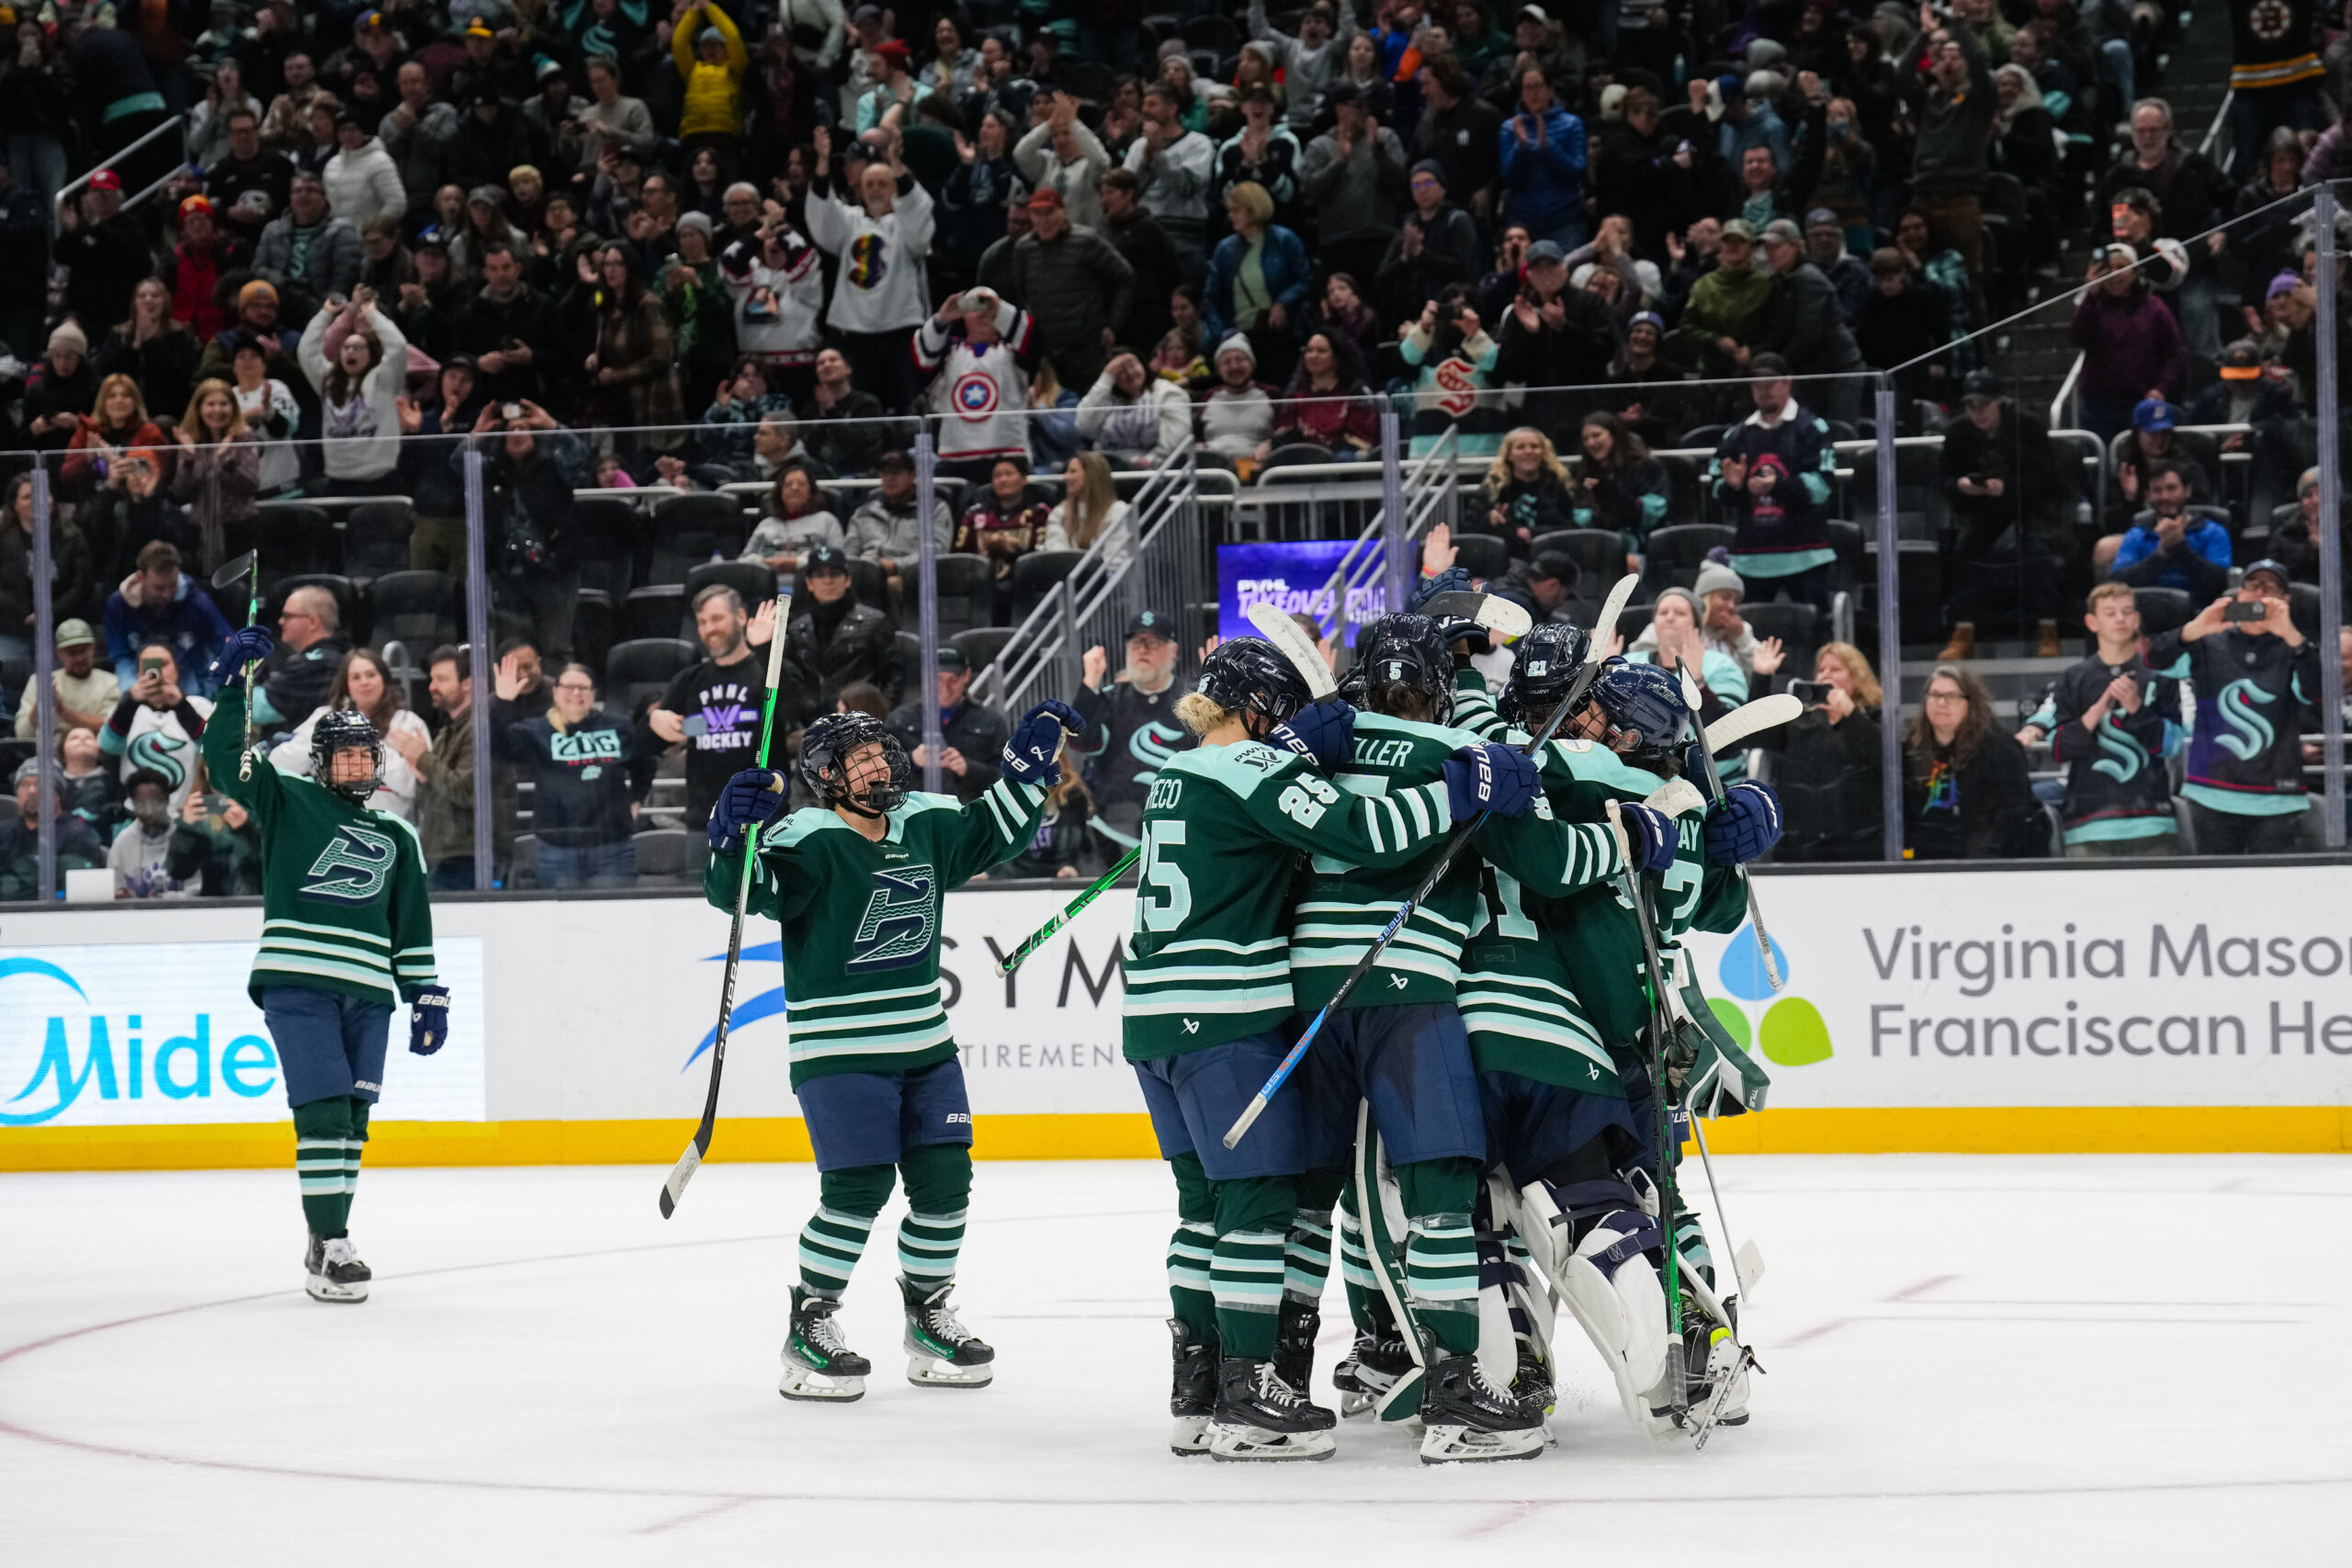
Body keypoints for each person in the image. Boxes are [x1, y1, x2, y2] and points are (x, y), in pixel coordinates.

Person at [1122, 635, 1537, 1461]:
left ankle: (1207, 1387)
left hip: (1159, 1015)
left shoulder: (1175, 773)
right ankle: (1272, 1390)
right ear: (1258, 708)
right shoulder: (1256, 771)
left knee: (1212, 1206)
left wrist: (1295, 756)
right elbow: (1364, 832)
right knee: (1268, 1202)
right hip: (1228, 1013)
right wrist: (1463, 785)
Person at [699, 697, 1081, 1401]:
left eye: (882, 751)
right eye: (861, 758)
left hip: (927, 1044)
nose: (880, 764)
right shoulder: (805, 837)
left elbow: (993, 830)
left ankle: (928, 1313)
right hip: (839, 1049)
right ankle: (809, 1322)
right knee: (858, 1188)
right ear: (827, 776)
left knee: (946, 1185)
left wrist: (1028, 775)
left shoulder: (925, 820)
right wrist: (730, 840)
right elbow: (741, 895)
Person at [199, 618, 447, 1304]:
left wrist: (426, 991)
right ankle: (333, 1242)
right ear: (319, 763)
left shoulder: (397, 834)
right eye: (343, 757)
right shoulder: (288, 800)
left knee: (354, 1121)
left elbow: (410, 926)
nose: (356, 766)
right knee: (324, 1112)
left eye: (364, 757)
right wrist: (231, 690)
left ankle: (325, 1236)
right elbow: (226, 761)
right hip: (299, 980)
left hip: (370, 990)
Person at [2147, 560, 2321, 855]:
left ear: (2285, 600)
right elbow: (2153, 661)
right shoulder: (2206, 643)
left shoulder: (2296, 650)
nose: (2260, 593)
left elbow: (2317, 691)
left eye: (2270, 587)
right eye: (2253, 585)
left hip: (2276, 796)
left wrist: (2292, 635)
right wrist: (2193, 628)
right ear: (2239, 594)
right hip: (2212, 792)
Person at [1937, 368, 2071, 660]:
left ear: (1998, 402)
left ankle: (2047, 627)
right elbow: (1943, 479)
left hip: (2029, 503)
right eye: (1971, 406)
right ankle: (1963, 631)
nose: (1977, 413)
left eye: (1984, 405)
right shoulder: (1957, 432)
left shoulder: (2027, 426)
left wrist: (2009, 487)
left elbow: (2050, 478)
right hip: (1982, 508)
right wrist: (1961, 486)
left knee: (2037, 549)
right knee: (1964, 551)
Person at [2042, 582, 2181, 857]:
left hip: (2151, 821)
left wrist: (2137, 708)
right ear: (2092, 623)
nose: (2120, 618)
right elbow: (2059, 749)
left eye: (2127, 611)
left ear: (2136, 620)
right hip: (2087, 824)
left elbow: (2173, 746)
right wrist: (2095, 712)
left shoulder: (2160, 677)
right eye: (2110, 613)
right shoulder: (2074, 678)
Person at [806, 125, 935, 414]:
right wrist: (823, 163)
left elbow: (919, 221)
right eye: (870, 184)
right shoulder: (850, 220)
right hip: (854, 332)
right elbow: (823, 218)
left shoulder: (906, 222)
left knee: (907, 408)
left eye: (883, 183)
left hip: (901, 329)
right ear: (860, 190)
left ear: (895, 189)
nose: (876, 189)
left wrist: (897, 165)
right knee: (862, 408)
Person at [492, 654, 642, 887]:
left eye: (583, 688)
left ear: (593, 694)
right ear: (555, 692)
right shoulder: (537, 730)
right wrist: (502, 702)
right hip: (556, 852)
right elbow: (498, 747)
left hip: (613, 850)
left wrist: (638, 797)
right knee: (559, 923)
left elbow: (646, 760)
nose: (575, 694)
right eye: (568, 687)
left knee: (614, 922)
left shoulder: (618, 727)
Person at [646, 589, 788, 831]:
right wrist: (653, 720)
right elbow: (654, 743)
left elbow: (789, 708)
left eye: (717, 618)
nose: (709, 628)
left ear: (741, 616)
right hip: (705, 823)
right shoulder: (689, 680)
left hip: (765, 821)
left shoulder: (765, 671)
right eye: (702, 622)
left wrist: (765, 650)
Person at [1708, 357, 1838, 614]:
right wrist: (1733, 487)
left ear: (1788, 382)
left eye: (1770, 382)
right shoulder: (1736, 435)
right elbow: (1716, 487)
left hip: (1806, 556)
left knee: (1816, 632)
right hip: (1751, 559)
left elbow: (1822, 487)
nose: (1763, 389)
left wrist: (1777, 486)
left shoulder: (1812, 428)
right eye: (1757, 383)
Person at [1747, 637, 1885, 860]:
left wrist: (1851, 715)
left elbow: (1885, 759)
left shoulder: (1876, 718)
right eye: (1821, 670)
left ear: (1857, 677)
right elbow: (1754, 734)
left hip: (1861, 843)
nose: (1825, 676)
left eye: (1836, 669)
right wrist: (1762, 678)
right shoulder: (1799, 721)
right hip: (1802, 844)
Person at [1069, 609, 1193, 854]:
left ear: (1173, 651)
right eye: (1136, 643)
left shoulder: (1192, 699)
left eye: (1152, 642)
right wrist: (1090, 683)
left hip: (1184, 828)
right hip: (1115, 833)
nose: (1142, 650)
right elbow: (1080, 742)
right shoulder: (1110, 698)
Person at [267, 648, 430, 820]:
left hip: (386, 829)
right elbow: (277, 766)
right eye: (356, 677)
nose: (364, 682)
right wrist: (320, 736)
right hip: (329, 825)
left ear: (384, 679)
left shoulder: (407, 723)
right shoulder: (325, 717)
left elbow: (414, 787)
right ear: (346, 685)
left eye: (371, 675)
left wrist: (367, 742)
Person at [1904, 664, 2046, 860]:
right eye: (1935, 695)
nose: (1941, 703)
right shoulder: (1912, 748)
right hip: (1926, 862)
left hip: (1989, 862)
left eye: (1952, 696)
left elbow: (2013, 816)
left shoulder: (2000, 747)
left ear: (1971, 703)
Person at [915, 286, 1046, 474]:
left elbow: (1033, 339)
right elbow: (923, 360)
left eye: (988, 308)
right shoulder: (949, 354)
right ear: (964, 315)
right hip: (955, 459)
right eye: (974, 307)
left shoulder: (1014, 353)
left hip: (1008, 459)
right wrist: (942, 319)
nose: (982, 315)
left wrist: (1000, 310)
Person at [1297, 82, 1409, 290]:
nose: (1365, 111)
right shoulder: (1320, 145)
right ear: (1340, 109)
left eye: (1367, 105)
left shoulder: (1385, 138)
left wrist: (1379, 150)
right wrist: (1339, 162)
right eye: (1358, 105)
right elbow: (1311, 192)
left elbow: (1400, 182)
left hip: (1381, 239)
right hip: (1338, 243)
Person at [2070, 243, 2184, 442]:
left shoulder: (2155, 308)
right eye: (2107, 269)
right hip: (2098, 406)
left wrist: (2161, 388)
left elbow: (2175, 353)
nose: (2114, 275)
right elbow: (2079, 337)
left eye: (2121, 267)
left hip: (2141, 401)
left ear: (2135, 271)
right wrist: (2091, 293)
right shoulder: (2091, 307)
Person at [299, 288, 409, 494]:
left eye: (358, 348)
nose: (351, 352)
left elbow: (398, 346)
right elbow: (307, 351)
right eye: (346, 348)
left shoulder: (383, 379)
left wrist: (372, 314)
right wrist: (326, 314)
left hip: (379, 481)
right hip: (338, 479)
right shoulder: (328, 380)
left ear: (370, 354)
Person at [784, 546, 903, 718]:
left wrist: (881, 717)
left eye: (834, 574)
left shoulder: (874, 622)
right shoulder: (797, 628)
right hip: (812, 724)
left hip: (860, 719)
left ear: (847, 580)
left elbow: (894, 676)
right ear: (809, 583)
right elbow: (792, 682)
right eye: (819, 575)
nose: (828, 581)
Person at [397, 645, 481, 890]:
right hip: (445, 852)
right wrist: (422, 775)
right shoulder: (449, 730)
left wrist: (422, 757)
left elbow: (465, 790)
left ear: (467, 684)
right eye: (432, 679)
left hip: (466, 856)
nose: (432, 686)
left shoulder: (478, 729)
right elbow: (439, 791)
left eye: (442, 679)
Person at [885, 645, 1011, 807]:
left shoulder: (992, 722)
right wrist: (912, 760)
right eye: (938, 679)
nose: (945, 688)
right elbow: (877, 775)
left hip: (969, 819)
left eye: (953, 679)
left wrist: (969, 769)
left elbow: (1007, 778)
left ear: (966, 676)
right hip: (913, 819)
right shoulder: (899, 720)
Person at [104, 543, 232, 698]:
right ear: (140, 578)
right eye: (159, 588)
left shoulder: (198, 601)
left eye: (173, 586)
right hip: (138, 672)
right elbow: (121, 657)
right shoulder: (118, 604)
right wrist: (132, 694)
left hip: (187, 671)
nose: (167, 594)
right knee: (130, 700)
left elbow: (225, 646)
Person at [2105, 465, 2232, 596]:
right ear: (2148, 495)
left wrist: (2181, 548)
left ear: (2187, 490)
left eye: (2171, 488)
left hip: (2201, 610)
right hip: (2146, 610)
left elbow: (2219, 582)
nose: (2165, 496)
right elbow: (2119, 584)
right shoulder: (2136, 535)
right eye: (2157, 490)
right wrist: (2160, 554)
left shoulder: (2213, 532)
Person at [250, 586, 354, 734]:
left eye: (287, 616)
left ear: (313, 622)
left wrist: (239, 669)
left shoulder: (316, 665)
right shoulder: (340, 654)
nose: (280, 621)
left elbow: (255, 709)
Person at [0, 758, 107, 901]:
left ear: (58, 793)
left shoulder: (80, 835)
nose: (32, 790)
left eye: (40, 784)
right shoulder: (3, 833)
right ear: (17, 793)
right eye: (25, 784)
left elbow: (74, 894)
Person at [845, 450, 953, 585]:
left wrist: (897, 565)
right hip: (866, 573)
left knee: (893, 584)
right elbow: (849, 553)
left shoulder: (934, 509)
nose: (890, 478)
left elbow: (937, 551)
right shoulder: (864, 511)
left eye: (896, 472)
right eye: (885, 473)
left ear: (913, 475)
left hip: (912, 576)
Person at [1569, 412, 1669, 557]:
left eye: (1596, 435)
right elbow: (1580, 516)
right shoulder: (1584, 472)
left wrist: (1609, 492)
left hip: (1643, 542)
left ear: (1614, 435)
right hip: (1599, 545)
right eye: (1585, 439)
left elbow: (1652, 513)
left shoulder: (1647, 467)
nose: (1590, 443)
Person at [1077, 351, 1194, 468]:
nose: (1129, 373)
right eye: (1120, 371)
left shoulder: (1168, 393)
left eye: (1132, 365)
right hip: (1108, 467)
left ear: (1142, 364)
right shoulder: (1105, 397)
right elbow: (1084, 427)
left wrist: (1148, 462)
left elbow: (1176, 440)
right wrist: (1105, 379)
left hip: (1155, 469)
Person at [15, 620, 120, 742]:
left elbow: (113, 732)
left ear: (93, 648)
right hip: (49, 758)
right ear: (59, 653)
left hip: (96, 756)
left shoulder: (112, 683)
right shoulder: (39, 682)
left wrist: (62, 711)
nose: (79, 658)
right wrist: (41, 705)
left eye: (83, 650)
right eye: (72, 653)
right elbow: (22, 735)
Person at [953, 457, 1051, 588]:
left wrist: (1014, 552)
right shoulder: (974, 514)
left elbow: (1044, 556)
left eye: (1009, 474)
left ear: (1023, 479)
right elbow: (961, 556)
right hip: (981, 584)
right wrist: (986, 553)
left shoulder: (1039, 513)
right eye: (997, 476)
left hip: (1027, 583)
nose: (1003, 480)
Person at [110, 768, 200, 898]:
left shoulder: (187, 837)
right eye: (141, 804)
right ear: (133, 805)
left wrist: (165, 900)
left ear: (167, 800)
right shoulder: (122, 842)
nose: (149, 811)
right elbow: (114, 890)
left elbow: (199, 891)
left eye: (156, 802)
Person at [1044, 452, 1135, 567]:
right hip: (1068, 579)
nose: (1065, 477)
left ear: (1091, 476)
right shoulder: (1060, 512)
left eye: (1073, 472)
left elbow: (1116, 562)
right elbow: (1057, 557)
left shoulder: (1117, 511)